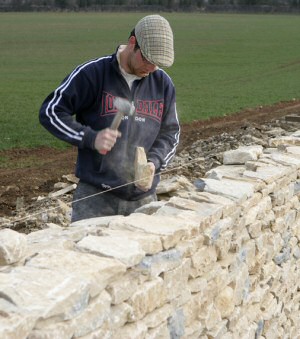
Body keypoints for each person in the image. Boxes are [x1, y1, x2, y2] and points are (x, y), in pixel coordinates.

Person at [39, 14, 180, 222]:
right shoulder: (93, 74)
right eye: (148, 60)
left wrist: (154, 162)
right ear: (133, 43)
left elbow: (171, 133)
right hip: (95, 197)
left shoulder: (162, 83)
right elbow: (51, 111)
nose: (151, 69)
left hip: (143, 198)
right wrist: (89, 137)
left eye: (157, 65)